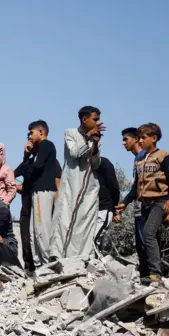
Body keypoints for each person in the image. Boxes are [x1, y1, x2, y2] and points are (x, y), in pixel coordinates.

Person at [116, 123, 169, 286]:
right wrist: (125, 203)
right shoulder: (140, 161)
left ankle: (156, 274)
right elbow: (136, 186)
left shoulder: (164, 156)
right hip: (144, 204)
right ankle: (148, 274)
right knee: (145, 238)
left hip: (160, 201)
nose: (141, 140)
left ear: (154, 138)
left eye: (143, 137)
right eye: (140, 137)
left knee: (148, 233)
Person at [50, 106, 104, 259]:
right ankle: (58, 256)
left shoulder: (96, 137)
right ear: (84, 119)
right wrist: (86, 138)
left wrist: (95, 144)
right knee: (65, 219)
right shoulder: (70, 133)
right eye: (95, 119)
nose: (97, 123)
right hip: (71, 184)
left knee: (85, 221)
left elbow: (95, 164)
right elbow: (74, 153)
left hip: (89, 186)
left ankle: (81, 257)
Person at [14, 120, 59, 265]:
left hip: (43, 191)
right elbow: (24, 167)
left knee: (42, 229)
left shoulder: (46, 145)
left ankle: (49, 263)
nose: (29, 136)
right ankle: (40, 263)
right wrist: (27, 155)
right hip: (37, 193)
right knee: (34, 231)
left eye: (31, 133)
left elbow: (36, 166)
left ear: (41, 132)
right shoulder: (36, 151)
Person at [116, 127, 148, 277]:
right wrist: (126, 202)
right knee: (140, 244)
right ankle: (145, 276)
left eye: (125, 139)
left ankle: (152, 275)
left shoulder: (146, 157)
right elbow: (136, 185)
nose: (123, 143)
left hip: (147, 207)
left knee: (146, 241)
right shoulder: (137, 159)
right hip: (137, 208)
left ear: (136, 139)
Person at [94, 157, 120, 252]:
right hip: (96, 206)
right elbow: (114, 187)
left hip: (103, 206)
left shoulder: (104, 163)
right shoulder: (83, 165)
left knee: (95, 238)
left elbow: (114, 187)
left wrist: (114, 208)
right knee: (94, 239)